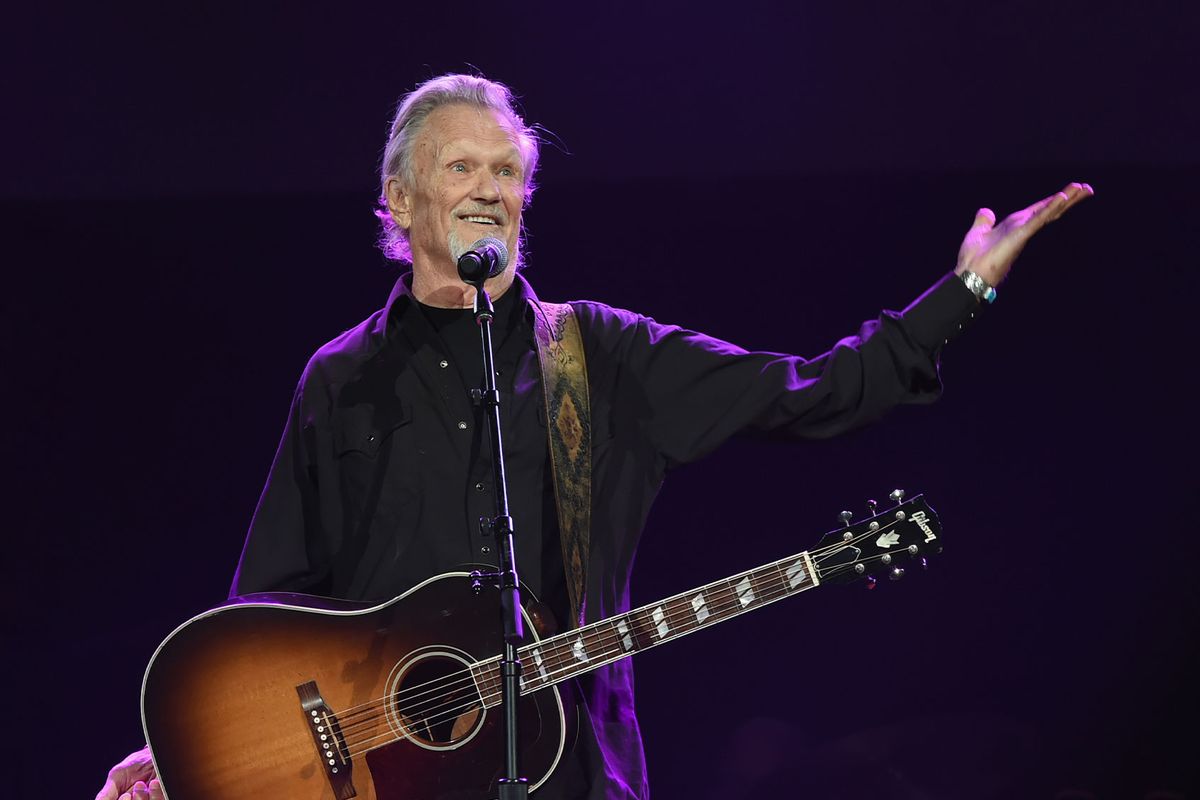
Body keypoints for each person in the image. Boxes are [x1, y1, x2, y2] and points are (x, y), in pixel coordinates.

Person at [96, 73, 1092, 800]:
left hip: (572, 780)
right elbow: (265, 606)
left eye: (507, 170)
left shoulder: (600, 355)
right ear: (401, 202)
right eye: (462, 167)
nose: (490, 187)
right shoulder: (340, 378)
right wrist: (199, 760)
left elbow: (810, 392)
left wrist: (966, 289)